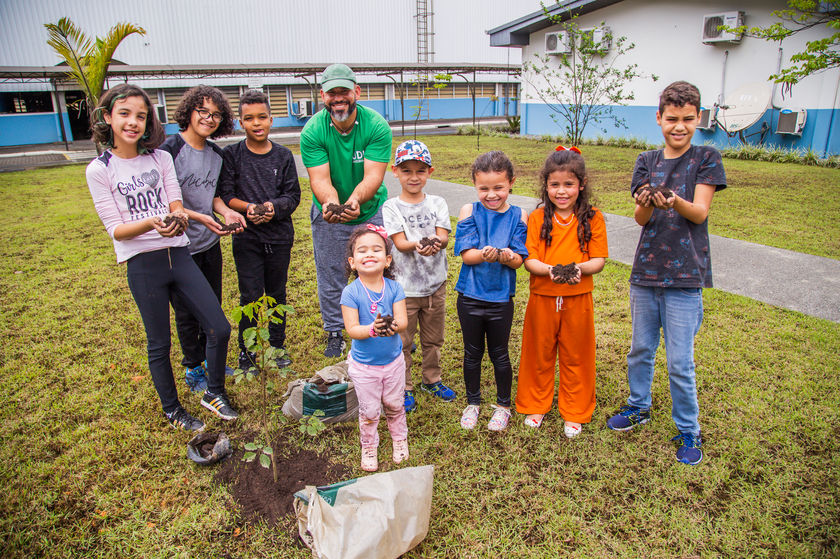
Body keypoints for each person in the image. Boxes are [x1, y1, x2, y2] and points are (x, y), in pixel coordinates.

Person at [85, 83, 238, 432]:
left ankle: (214, 393)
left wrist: (181, 217)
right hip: (143, 263)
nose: (133, 122)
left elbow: (175, 204)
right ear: (107, 117)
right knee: (159, 343)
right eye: (124, 114)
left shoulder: (160, 158)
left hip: (179, 253)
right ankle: (173, 410)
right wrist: (152, 223)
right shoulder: (100, 169)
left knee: (218, 326)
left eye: (141, 116)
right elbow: (116, 230)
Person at [607, 81, 727, 466]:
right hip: (646, 271)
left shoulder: (706, 157)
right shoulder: (646, 160)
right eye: (672, 118)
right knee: (640, 349)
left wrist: (673, 201)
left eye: (688, 119)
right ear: (658, 118)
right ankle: (638, 406)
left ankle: (689, 428)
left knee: (680, 361)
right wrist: (648, 202)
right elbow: (641, 217)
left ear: (698, 118)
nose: (679, 126)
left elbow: (700, 213)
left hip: (686, 275)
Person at [300, 63, 393, 358]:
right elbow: (319, 179)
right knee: (331, 273)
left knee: (379, 268)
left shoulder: (376, 126)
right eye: (332, 93)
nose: (338, 98)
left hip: (370, 209)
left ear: (357, 92)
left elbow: (373, 176)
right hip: (329, 213)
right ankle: (335, 331)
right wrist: (331, 203)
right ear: (322, 96)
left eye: (344, 91)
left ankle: (383, 322)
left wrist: (354, 200)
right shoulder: (313, 131)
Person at [515, 147, 608, 438]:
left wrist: (578, 269)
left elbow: (598, 260)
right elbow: (530, 260)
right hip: (542, 297)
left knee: (577, 354)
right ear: (545, 185)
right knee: (538, 353)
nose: (562, 191)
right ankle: (536, 404)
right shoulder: (537, 217)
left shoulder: (593, 218)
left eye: (569, 184)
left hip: (578, 298)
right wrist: (551, 271)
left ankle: (575, 410)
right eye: (554, 184)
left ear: (581, 184)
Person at [159, 85, 245, 392]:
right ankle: (193, 367)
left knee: (211, 304)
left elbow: (215, 196)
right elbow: (164, 203)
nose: (209, 118)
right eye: (203, 111)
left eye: (216, 114)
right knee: (186, 312)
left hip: (209, 243)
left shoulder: (216, 155)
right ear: (189, 111)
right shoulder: (168, 151)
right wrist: (201, 218)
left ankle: (211, 361)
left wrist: (227, 213)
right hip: (179, 247)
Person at [217, 90, 301, 373]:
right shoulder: (232, 155)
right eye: (249, 118)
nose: (256, 123)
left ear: (271, 119)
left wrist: (272, 208)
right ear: (241, 122)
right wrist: (249, 208)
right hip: (247, 238)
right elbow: (227, 194)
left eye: (262, 117)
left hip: (279, 238)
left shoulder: (284, 156)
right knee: (250, 295)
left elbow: (293, 196)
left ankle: (277, 346)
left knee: (277, 294)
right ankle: (248, 350)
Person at [453, 151, 528, 432]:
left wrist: (507, 257)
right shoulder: (469, 211)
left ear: (511, 183)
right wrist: (488, 254)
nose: (491, 194)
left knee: (500, 354)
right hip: (470, 297)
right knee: (472, 353)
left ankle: (503, 406)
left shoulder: (520, 215)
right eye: (484, 188)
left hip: (500, 300)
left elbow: (519, 260)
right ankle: (473, 403)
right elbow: (467, 255)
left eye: (499, 187)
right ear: (475, 184)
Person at [382, 140, 457, 414]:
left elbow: (444, 237)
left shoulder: (438, 202)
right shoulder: (391, 206)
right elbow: (400, 243)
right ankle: (404, 386)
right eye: (406, 171)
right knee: (403, 341)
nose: (414, 177)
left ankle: (432, 379)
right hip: (405, 289)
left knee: (434, 339)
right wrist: (419, 244)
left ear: (430, 172)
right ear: (395, 172)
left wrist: (436, 243)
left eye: (420, 171)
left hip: (435, 284)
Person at [340, 225, 409, 472]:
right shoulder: (350, 293)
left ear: (387, 260)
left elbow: (403, 321)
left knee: (394, 404)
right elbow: (352, 329)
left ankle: (399, 439)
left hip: (393, 363)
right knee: (369, 411)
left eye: (376, 249)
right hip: (364, 367)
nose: (369, 254)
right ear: (352, 262)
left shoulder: (395, 288)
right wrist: (372, 329)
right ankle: (369, 446)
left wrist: (392, 327)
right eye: (362, 251)